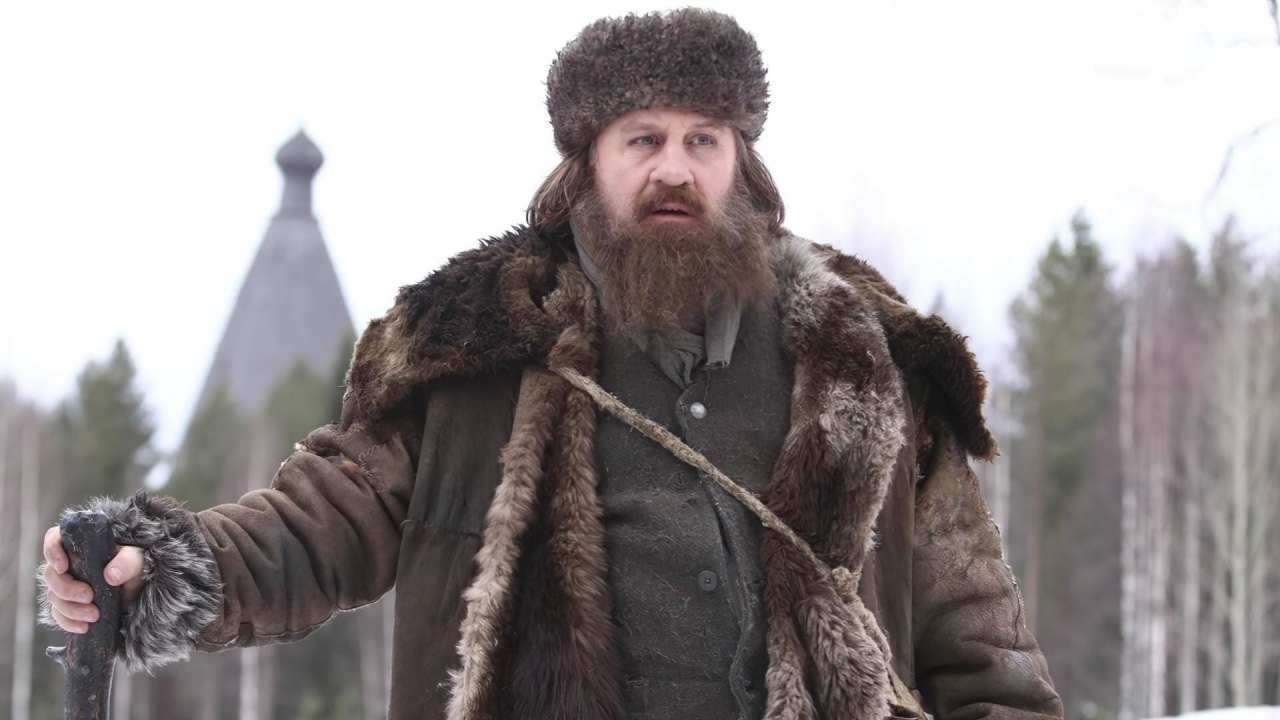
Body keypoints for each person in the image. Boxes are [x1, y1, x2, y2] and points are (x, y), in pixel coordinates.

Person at [38, 9, 1063, 720]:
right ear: (586, 166)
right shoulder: (475, 340)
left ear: (740, 164)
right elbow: (326, 519)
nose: (674, 169)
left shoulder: (860, 358)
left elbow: (974, 630)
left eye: (703, 141)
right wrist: (163, 569)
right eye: (643, 139)